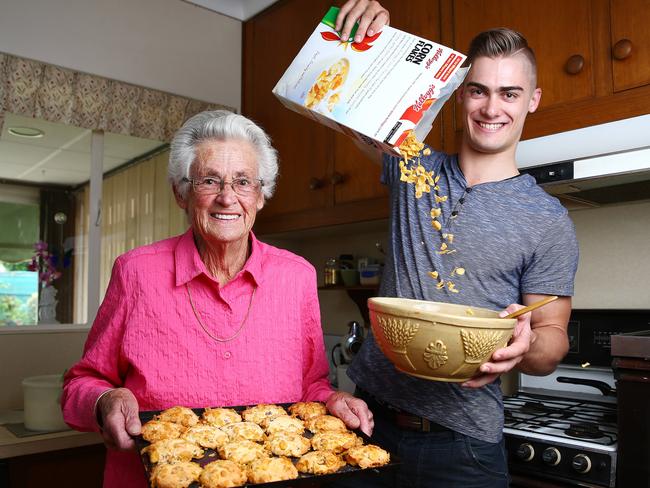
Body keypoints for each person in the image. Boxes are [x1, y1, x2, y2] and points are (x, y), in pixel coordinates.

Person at [333, 1, 580, 487]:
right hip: (365, 424)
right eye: (478, 91)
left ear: (532, 99)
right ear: (459, 95)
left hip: (462, 447)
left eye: (510, 93)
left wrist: (526, 346)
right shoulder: (411, 166)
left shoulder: (548, 220)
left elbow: (553, 339)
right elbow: (347, 105)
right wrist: (371, 38)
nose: (492, 108)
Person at [61, 110, 374, 488]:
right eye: (210, 180)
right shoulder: (136, 272)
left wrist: (333, 400)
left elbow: (311, 387)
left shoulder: (297, 277)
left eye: (243, 182)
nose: (228, 198)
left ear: (261, 195)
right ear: (181, 192)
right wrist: (103, 402)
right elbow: (80, 384)